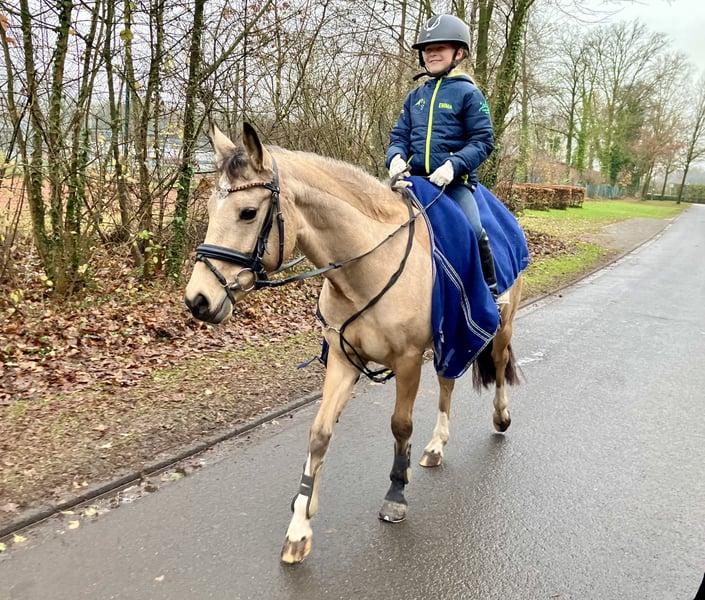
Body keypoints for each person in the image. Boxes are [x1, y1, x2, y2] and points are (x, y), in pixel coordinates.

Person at [386, 13, 498, 298]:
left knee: (473, 229)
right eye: (428, 49)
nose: (432, 54)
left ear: (458, 53)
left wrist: (453, 165)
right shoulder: (415, 97)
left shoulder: (469, 94)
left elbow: (483, 140)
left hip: (453, 184)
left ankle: (490, 292)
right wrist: (395, 158)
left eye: (440, 48)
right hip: (413, 182)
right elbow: (399, 137)